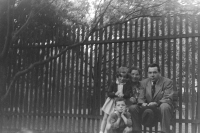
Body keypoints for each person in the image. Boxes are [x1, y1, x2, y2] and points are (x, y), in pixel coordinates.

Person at [129, 63, 175, 133]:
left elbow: (167, 97)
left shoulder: (167, 82)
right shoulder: (143, 82)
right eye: (150, 73)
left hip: (159, 107)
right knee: (133, 107)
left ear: (159, 72)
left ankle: (165, 131)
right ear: (147, 73)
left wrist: (156, 103)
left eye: (155, 72)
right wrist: (142, 103)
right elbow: (141, 96)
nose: (152, 75)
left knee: (165, 106)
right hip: (146, 107)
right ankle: (136, 131)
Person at [99, 67, 132, 133]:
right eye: (120, 76)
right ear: (117, 76)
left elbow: (128, 94)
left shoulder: (127, 84)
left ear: (127, 77)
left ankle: (108, 130)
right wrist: (114, 94)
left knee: (113, 116)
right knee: (105, 117)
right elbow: (109, 93)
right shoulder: (113, 83)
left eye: (124, 77)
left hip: (120, 103)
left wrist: (124, 95)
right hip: (111, 102)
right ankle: (101, 131)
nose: (122, 78)